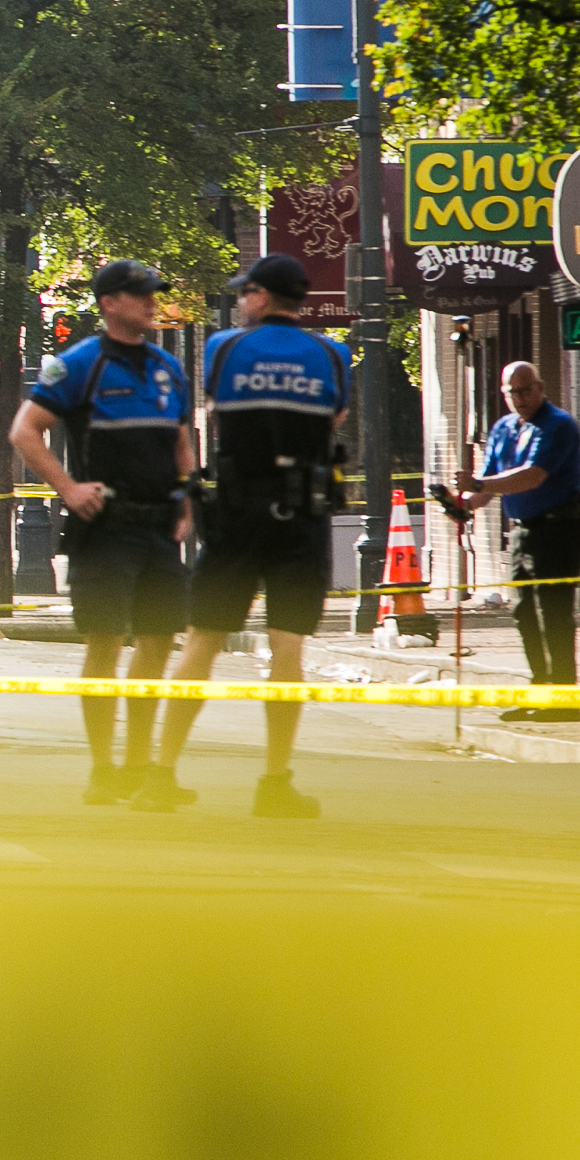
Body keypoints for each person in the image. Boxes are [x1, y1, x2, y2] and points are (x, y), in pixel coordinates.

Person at [148, 255, 351, 817]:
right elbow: (334, 418)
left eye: (246, 293)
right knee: (287, 649)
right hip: (303, 511)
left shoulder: (224, 348)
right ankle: (275, 783)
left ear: (262, 297)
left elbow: (213, 409)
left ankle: (162, 772)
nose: (239, 301)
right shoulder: (336, 355)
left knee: (202, 641)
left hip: (237, 512)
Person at [10, 261, 196, 805]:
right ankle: (102, 770)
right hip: (104, 526)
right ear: (110, 302)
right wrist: (68, 487)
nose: (151, 303)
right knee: (105, 643)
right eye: (140, 296)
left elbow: (181, 440)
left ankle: (140, 766)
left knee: (158, 642)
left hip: (159, 525)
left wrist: (186, 498)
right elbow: (25, 431)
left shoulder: (168, 367)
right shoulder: (77, 366)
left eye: (153, 295)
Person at [453, 361, 580, 723]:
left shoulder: (558, 425)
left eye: (527, 389)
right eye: (514, 392)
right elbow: (489, 483)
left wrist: (480, 486)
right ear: (504, 393)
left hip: (558, 528)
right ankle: (540, 691)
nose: (522, 398)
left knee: (554, 614)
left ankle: (564, 701)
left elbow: (532, 477)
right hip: (522, 529)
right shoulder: (503, 429)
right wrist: (463, 505)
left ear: (541, 387)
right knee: (524, 612)